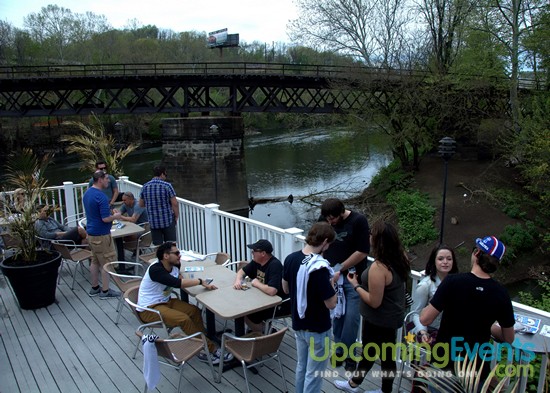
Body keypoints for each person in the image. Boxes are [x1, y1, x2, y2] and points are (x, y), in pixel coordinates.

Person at [334, 220, 410, 393]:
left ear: (378, 240)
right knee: (386, 357)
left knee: (373, 354)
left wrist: (355, 285)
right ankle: (377, 388)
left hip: (378, 319)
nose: (368, 236)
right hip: (392, 316)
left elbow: (374, 301)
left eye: (371, 234)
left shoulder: (379, 268)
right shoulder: (401, 257)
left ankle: (357, 385)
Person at [420, 236, 515, 374]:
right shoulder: (502, 294)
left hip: (444, 362)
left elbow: (425, 319)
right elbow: (509, 338)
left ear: (476, 253)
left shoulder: (452, 282)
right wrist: (488, 326)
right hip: (476, 369)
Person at [137, 241, 233, 364]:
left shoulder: (175, 265)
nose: (179, 255)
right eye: (176, 253)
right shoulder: (156, 270)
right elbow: (177, 283)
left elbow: (179, 277)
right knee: (183, 319)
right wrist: (199, 281)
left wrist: (189, 278)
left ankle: (202, 338)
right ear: (166, 256)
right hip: (149, 309)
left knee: (194, 311)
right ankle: (209, 349)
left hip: (165, 301)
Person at [282, 222, 337, 393]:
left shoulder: (291, 258)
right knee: (314, 374)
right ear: (325, 241)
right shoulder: (319, 268)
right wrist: (332, 284)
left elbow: (285, 289)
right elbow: (331, 303)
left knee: (301, 366)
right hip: (318, 328)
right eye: (328, 245)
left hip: (299, 323)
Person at [320, 198, 370, 371]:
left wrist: (339, 269)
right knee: (337, 316)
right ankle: (340, 350)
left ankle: (348, 354)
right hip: (331, 277)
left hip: (352, 277)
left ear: (342, 212)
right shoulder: (324, 219)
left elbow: (363, 251)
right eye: (327, 219)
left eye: (333, 218)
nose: (330, 222)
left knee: (352, 318)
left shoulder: (358, 221)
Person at [232, 239, 290, 332]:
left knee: (244, 312)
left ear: (263, 253)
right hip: (261, 299)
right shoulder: (256, 262)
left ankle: (267, 333)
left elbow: (272, 290)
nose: (252, 253)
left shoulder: (275, 265)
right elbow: (241, 271)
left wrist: (256, 283)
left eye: (254, 251)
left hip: (279, 304)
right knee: (240, 307)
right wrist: (238, 281)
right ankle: (263, 330)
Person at [83, 170, 123, 299]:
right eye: (106, 179)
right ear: (100, 180)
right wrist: (116, 216)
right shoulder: (101, 197)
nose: (109, 181)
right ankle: (105, 291)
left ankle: (95, 288)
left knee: (95, 261)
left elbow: (96, 213)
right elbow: (105, 219)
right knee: (106, 263)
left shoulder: (87, 193)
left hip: (91, 233)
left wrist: (110, 213)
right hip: (101, 235)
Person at [410, 245, 459, 342]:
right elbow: (415, 313)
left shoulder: (458, 283)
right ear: (434, 261)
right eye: (440, 259)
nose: (445, 262)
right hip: (430, 334)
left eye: (449, 259)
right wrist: (423, 331)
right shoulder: (425, 285)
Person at [139, 166, 179, 245]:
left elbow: (141, 204)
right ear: (162, 174)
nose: (165, 176)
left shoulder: (145, 186)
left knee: (158, 246)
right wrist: (176, 215)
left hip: (153, 222)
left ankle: (159, 257)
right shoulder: (167, 186)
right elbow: (175, 203)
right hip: (167, 220)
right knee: (171, 245)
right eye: (165, 174)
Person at [112, 191, 148, 262]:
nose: (123, 202)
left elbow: (133, 219)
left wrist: (120, 216)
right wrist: (116, 213)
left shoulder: (138, 205)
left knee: (123, 237)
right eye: (123, 200)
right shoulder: (126, 205)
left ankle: (136, 249)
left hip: (143, 229)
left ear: (131, 199)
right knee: (120, 237)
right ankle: (122, 255)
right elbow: (119, 213)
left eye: (125, 200)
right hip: (133, 227)